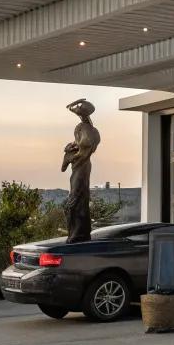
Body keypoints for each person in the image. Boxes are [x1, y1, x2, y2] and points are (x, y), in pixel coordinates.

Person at [62, 98, 101, 243]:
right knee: (79, 198)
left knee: (76, 199)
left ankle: (78, 233)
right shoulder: (89, 129)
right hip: (81, 166)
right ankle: (78, 232)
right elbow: (84, 145)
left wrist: (73, 154)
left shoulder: (86, 129)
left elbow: (85, 145)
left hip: (81, 166)